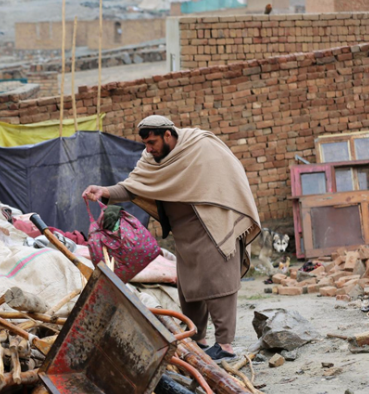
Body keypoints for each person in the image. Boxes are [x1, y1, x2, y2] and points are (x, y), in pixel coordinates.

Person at [82, 115, 261, 361]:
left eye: (152, 142)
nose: (148, 148)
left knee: (218, 284)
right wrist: (104, 191)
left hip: (212, 225)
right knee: (189, 287)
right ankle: (198, 340)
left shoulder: (200, 145)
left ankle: (225, 345)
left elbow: (229, 177)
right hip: (184, 233)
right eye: (145, 144)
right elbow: (134, 186)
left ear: (168, 135)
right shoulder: (151, 159)